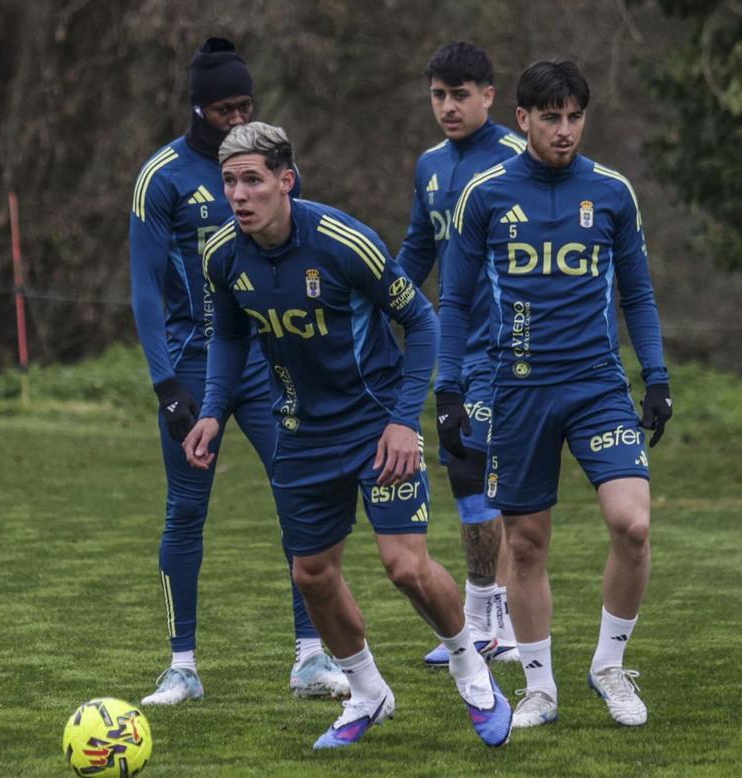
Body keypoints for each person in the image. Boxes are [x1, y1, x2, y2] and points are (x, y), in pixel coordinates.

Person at [185, 122, 513, 749]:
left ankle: (473, 672)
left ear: (286, 180)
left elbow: (423, 322)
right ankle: (367, 692)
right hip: (300, 434)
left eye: (252, 179)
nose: (238, 195)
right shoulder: (222, 254)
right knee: (311, 573)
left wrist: (401, 418)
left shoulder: (342, 242)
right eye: (229, 181)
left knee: (405, 567)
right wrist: (211, 409)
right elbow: (228, 335)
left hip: (374, 424)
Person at [436, 61, 673, 729]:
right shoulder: (484, 194)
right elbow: (453, 299)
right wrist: (448, 388)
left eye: (573, 117)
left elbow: (638, 293)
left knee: (634, 523)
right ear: (523, 118)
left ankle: (608, 666)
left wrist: (655, 376)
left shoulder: (613, 192)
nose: (563, 130)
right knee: (529, 543)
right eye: (550, 117)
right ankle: (539, 686)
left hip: (597, 386)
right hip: (518, 390)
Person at [128, 37, 347, 705]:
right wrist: (165, 384)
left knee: (300, 500)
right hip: (194, 366)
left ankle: (311, 656)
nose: (235, 119)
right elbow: (142, 285)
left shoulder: (278, 173)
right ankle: (182, 666)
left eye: (245, 105)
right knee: (185, 512)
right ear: (197, 107)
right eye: (223, 107)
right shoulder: (161, 177)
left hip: (266, 364)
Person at [395, 41, 526, 668]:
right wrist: (373, 300)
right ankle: (484, 616)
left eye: (460, 95)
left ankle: (492, 617)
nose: (447, 106)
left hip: (508, 344)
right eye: (438, 95)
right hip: (455, 344)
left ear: (489, 96)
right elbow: (418, 253)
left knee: (481, 469)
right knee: (465, 472)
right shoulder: (428, 166)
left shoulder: (515, 158)